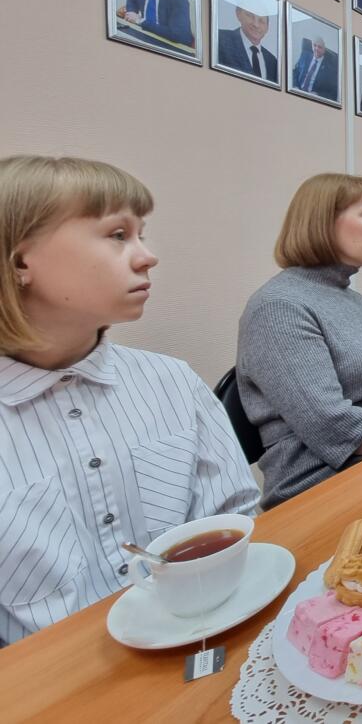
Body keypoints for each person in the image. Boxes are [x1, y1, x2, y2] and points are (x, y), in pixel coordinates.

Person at [0, 156, 259, 646]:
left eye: (142, 234)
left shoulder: (171, 382)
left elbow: (236, 515)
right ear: (20, 261)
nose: (146, 256)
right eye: (118, 235)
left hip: (207, 638)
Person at [237, 174, 362, 508]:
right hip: (324, 487)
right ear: (323, 222)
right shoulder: (278, 308)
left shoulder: (348, 297)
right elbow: (332, 425)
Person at [217, 0, 278, 82]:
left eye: (261, 21)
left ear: (267, 27)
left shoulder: (272, 61)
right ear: (238, 14)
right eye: (250, 15)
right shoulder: (220, 39)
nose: (256, 24)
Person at [291, 35, 338, 101]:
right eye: (314, 45)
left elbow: (333, 92)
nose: (316, 49)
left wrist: (318, 95)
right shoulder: (305, 55)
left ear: (324, 49)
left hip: (312, 99)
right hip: (297, 92)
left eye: (319, 47)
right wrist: (295, 86)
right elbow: (295, 72)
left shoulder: (329, 68)